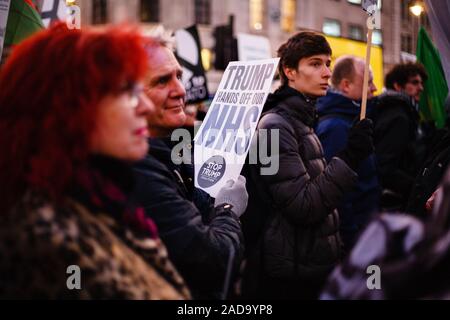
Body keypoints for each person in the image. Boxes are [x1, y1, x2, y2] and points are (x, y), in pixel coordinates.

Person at [0, 23, 190, 299]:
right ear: (72, 110)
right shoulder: (49, 239)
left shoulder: (100, 201)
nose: (145, 106)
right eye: (126, 92)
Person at [241, 32, 374, 299]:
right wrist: (350, 157)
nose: (326, 72)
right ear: (289, 71)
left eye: (328, 62)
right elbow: (303, 206)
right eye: (315, 64)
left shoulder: (302, 120)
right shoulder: (273, 127)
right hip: (290, 277)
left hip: (310, 264)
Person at [132, 29, 247, 299]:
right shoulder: (136, 169)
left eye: (179, 76)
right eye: (162, 81)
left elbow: (198, 212)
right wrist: (228, 210)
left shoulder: (172, 151)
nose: (181, 90)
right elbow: (212, 261)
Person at [315, 55, 380, 252]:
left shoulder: (352, 122)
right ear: (345, 85)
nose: (374, 88)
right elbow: (337, 192)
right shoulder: (336, 127)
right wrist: (352, 237)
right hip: (356, 235)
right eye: (368, 81)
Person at [373, 62, 429, 211]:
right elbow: (386, 166)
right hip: (393, 202)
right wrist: (418, 186)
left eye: (421, 83)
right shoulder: (398, 116)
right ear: (398, 86)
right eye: (414, 83)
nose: (421, 88)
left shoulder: (400, 111)